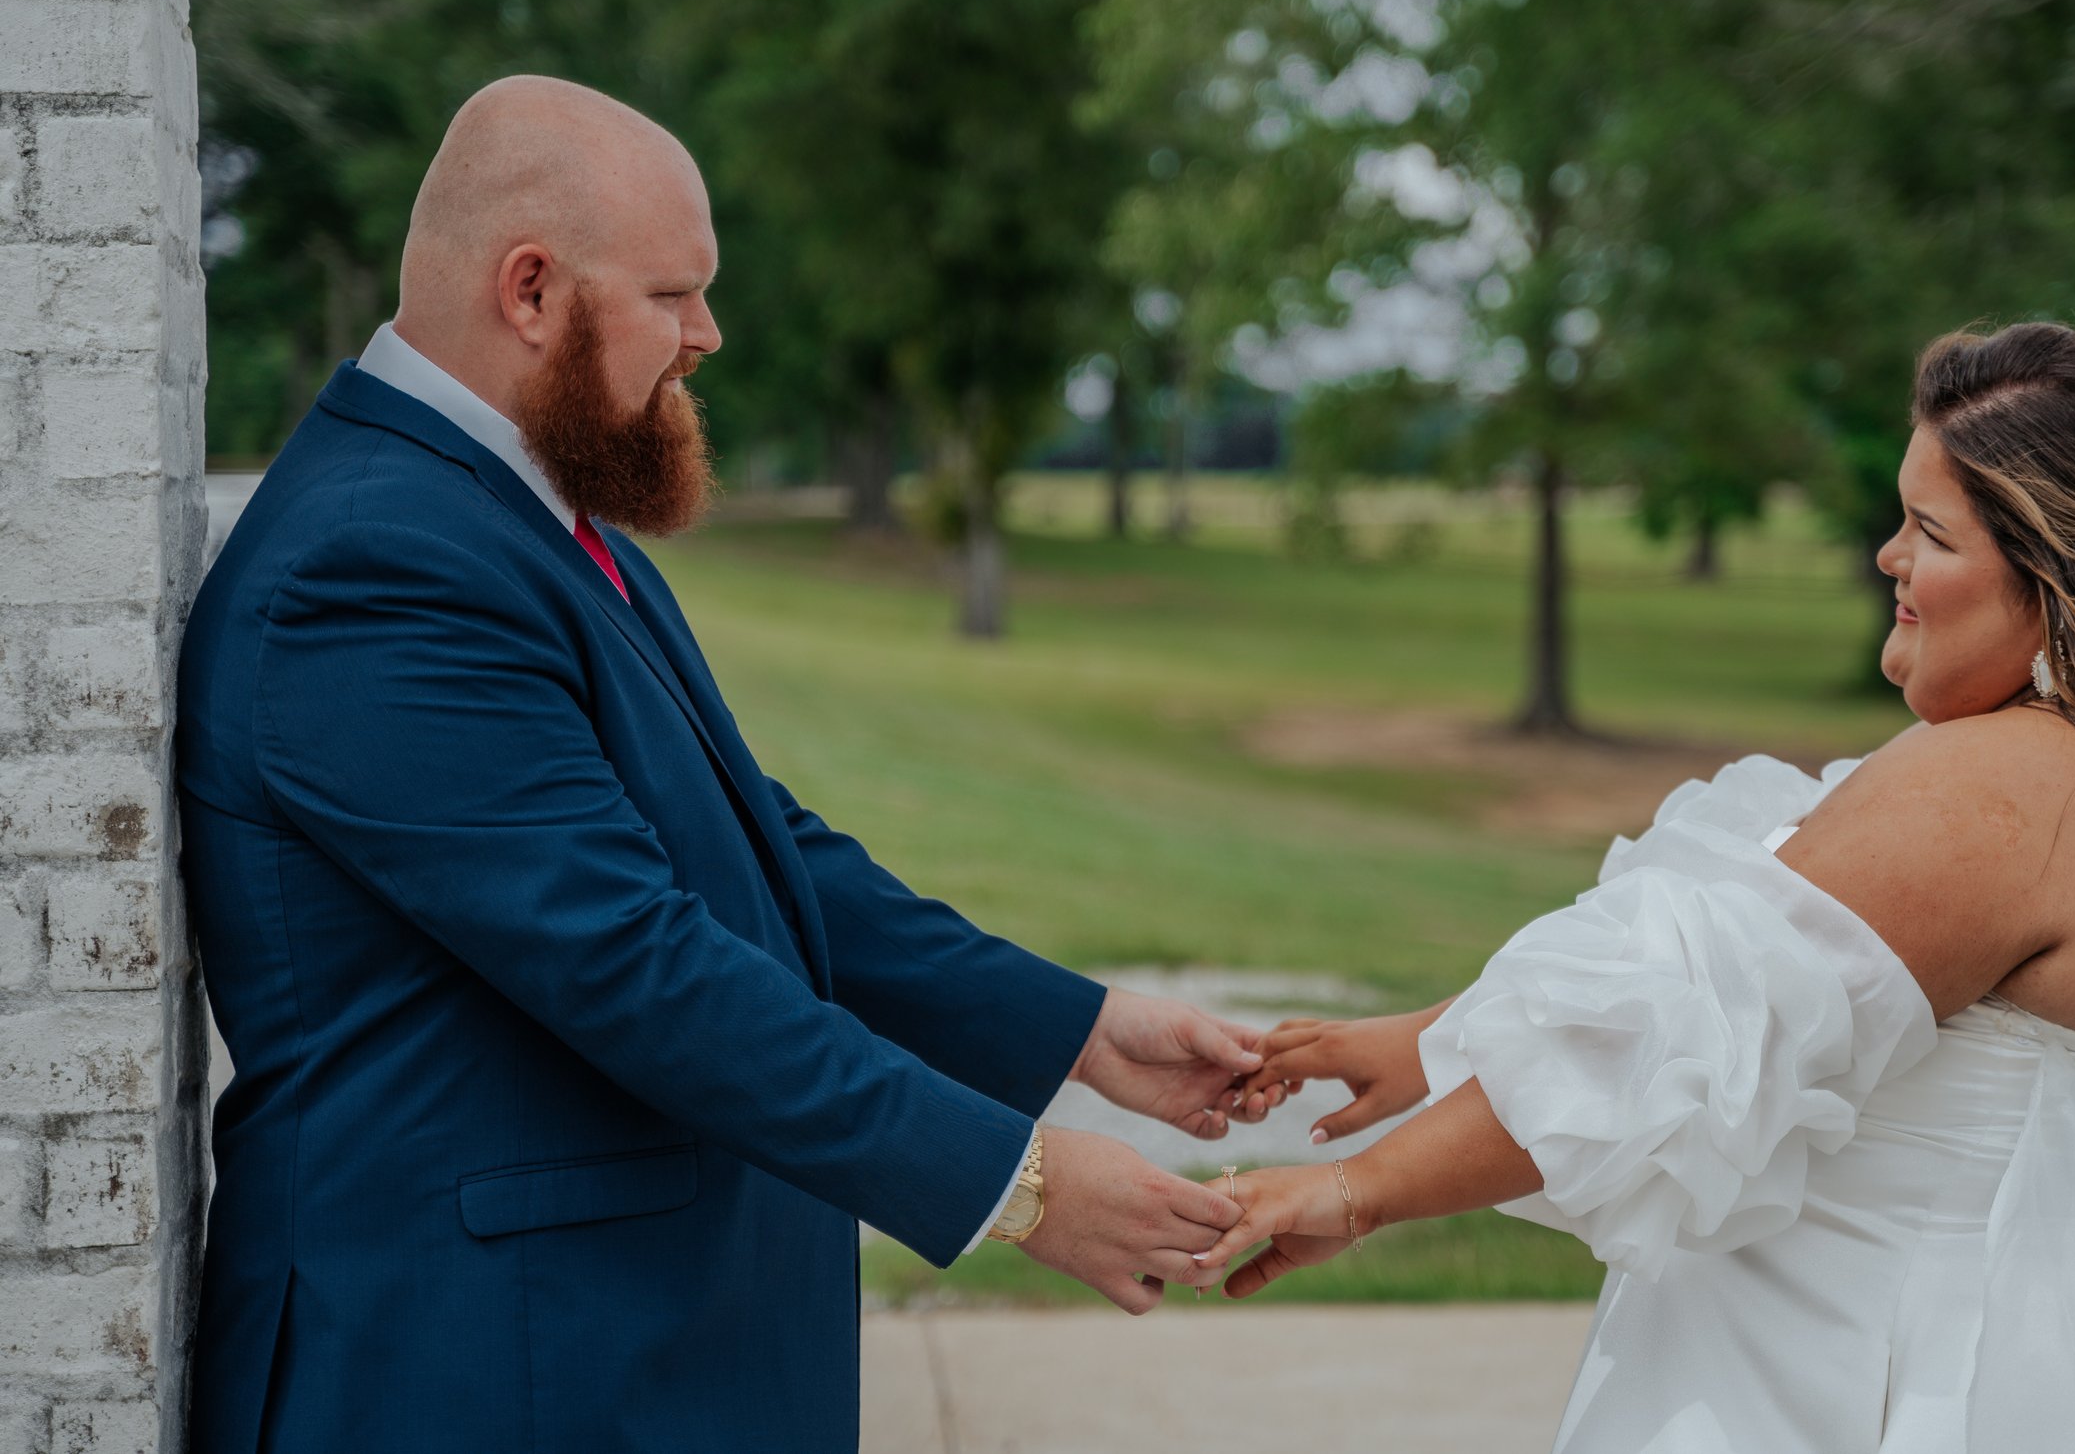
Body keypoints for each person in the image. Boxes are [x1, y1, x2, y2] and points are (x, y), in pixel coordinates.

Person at [177, 76, 1279, 1454]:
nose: (707, 334)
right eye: (672, 294)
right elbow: (637, 963)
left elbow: (751, 839)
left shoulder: (510, 514)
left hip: (597, 1354)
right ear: (531, 290)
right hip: (479, 1370)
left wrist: (1077, 1030)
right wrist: (1024, 1182)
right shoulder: (371, 566)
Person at [1202, 324, 2075, 1453]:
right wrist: (1426, 1045)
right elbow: (1770, 983)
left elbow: (1669, 1042)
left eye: (1932, 533)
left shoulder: (2002, 792)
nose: (1888, 555)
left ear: (2071, 576)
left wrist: (1353, 1191)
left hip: (1919, 1380)